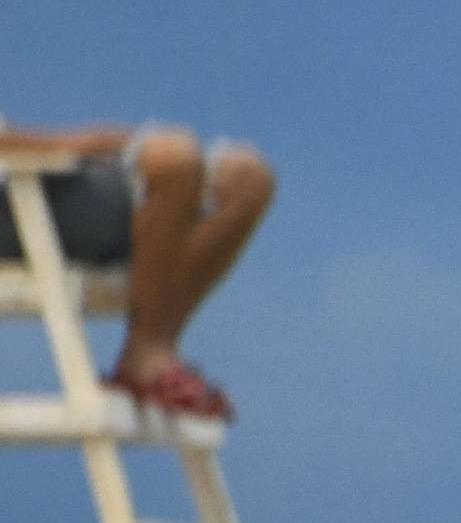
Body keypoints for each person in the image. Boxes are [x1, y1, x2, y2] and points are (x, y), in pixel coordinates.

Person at [1, 118, 278, 420]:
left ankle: (152, 348)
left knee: (245, 178)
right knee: (172, 159)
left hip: (45, 188)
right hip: (18, 202)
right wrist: (75, 144)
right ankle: (147, 358)